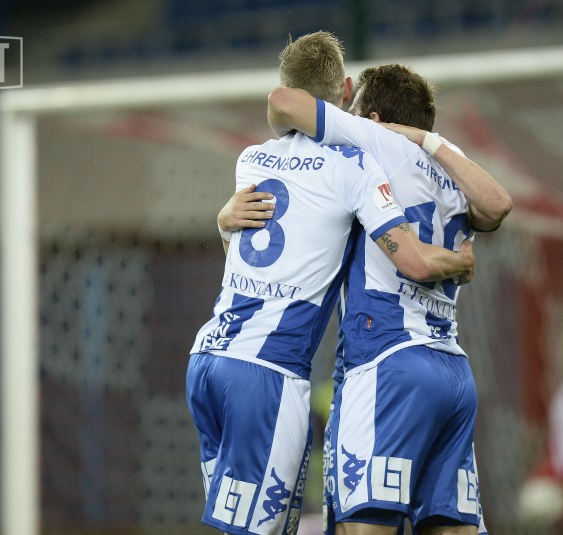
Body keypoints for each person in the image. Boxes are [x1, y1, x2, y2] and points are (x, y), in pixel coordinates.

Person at [186, 32, 476, 535]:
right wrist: (460, 261)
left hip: (208, 360)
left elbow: (243, 255)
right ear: (345, 91)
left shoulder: (251, 158)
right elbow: (413, 259)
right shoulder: (354, 167)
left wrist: (221, 223)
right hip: (268, 373)